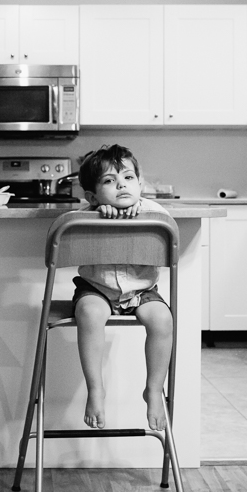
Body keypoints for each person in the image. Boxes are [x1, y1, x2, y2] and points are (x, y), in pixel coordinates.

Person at [72, 144, 173, 431]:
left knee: (163, 319)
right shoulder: (87, 214)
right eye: (109, 181)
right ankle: (95, 390)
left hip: (141, 292)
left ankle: (154, 389)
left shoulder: (153, 214)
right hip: (97, 289)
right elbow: (69, 224)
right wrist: (94, 211)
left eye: (128, 178)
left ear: (140, 184)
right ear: (92, 195)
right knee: (89, 313)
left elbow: (168, 227)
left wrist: (144, 209)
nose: (121, 185)